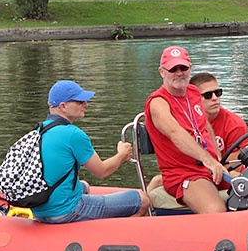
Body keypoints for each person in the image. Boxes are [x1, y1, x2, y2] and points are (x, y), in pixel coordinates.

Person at [31, 80, 150, 223]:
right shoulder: (73, 134)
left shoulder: (39, 130)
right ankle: (118, 237)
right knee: (142, 199)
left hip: (39, 211)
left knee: (85, 186)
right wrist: (122, 155)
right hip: (65, 211)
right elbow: (102, 171)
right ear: (63, 106)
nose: (85, 104)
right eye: (80, 101)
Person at [144, 46, 228, 214]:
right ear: (162, 72)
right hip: (183, 174)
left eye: (183, 68)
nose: (179, 72)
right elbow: (175, 133)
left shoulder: (194, 92)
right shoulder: (158, 102)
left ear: (190, 68)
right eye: (173, 68)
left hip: (208, 169)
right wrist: (208, 159)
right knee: (216, 210)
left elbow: (205, 125)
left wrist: (217, 157)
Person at [190, 72, 248, 167]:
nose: (215, 98)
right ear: (193, 98)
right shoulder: (183, 122)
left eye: (218, 93)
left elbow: (232, 169)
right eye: (208, 95)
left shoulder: (235, 125)